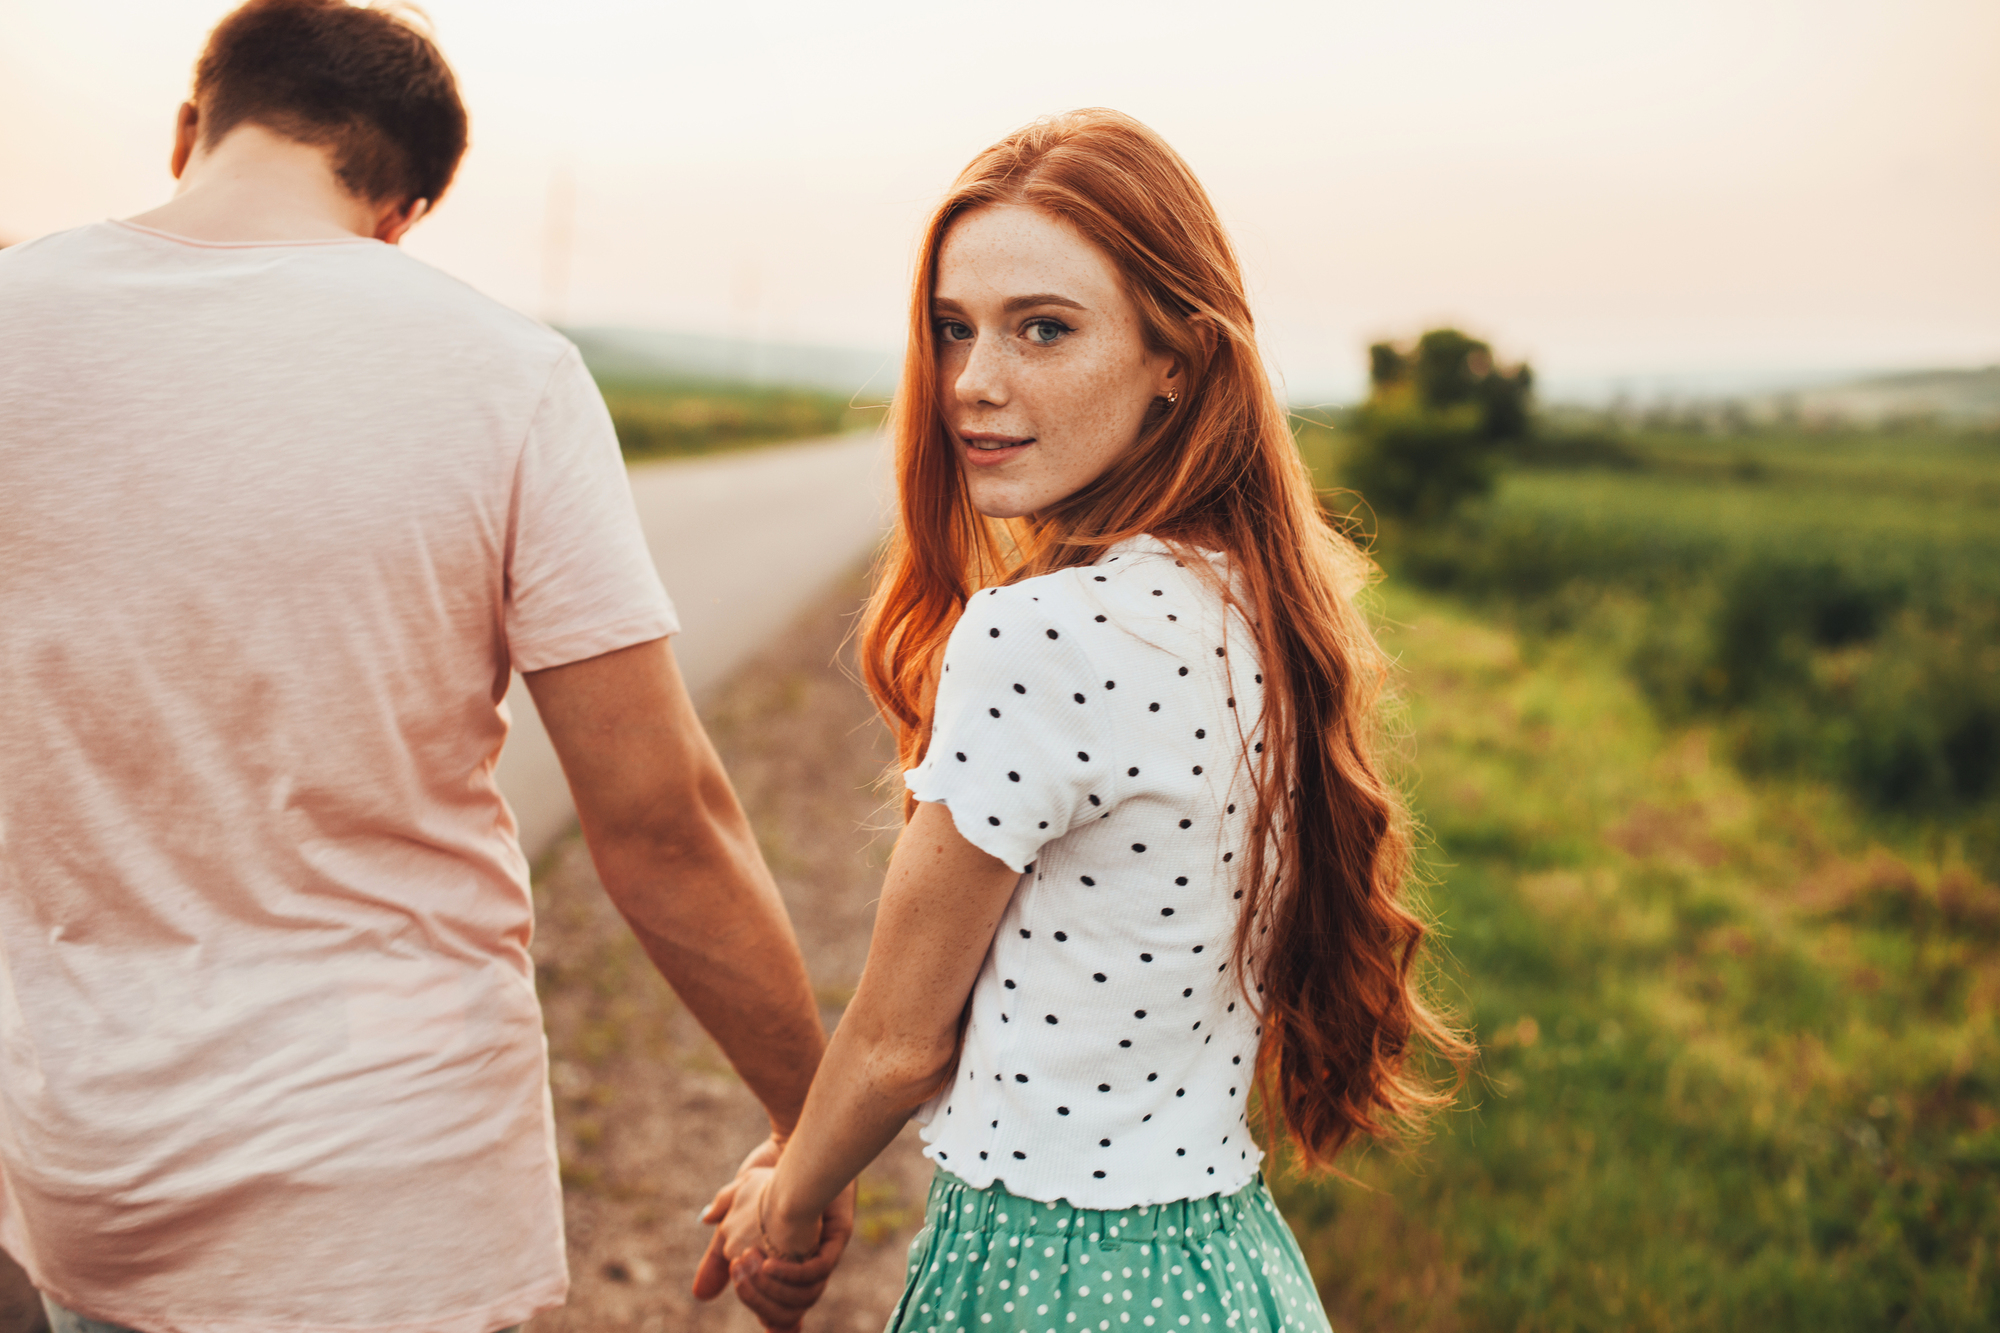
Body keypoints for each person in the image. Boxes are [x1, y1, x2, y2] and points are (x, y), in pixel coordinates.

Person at [0, 3, 846, 1331]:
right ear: (405, 209)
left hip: (84, 1172)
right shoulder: (504, 375)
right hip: (388, 1188)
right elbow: (658, 822)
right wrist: (812, 1123)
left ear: (190, 130)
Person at [702, 108, 1471, 1331]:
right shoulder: (1255, 601)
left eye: (1042, 329)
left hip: (1054, 1280)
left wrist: (785, 1208)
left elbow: (901, 1039)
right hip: (1226, 1273)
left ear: (1178, 357)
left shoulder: (1045, 634)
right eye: (952, 330)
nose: (972, 383)